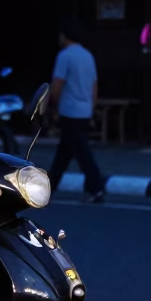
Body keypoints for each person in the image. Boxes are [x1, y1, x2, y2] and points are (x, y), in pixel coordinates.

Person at [47, 21, 104, 203]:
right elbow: (94, 86)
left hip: (69, 109)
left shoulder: (64, 56)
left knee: (81, 153)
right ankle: (48, 187)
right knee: (64, 153)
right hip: (84, 109)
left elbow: (57, 84)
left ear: (64, 36)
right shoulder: (88, 56)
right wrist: (91, 108)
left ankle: (96, 187)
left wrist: (53, 106)